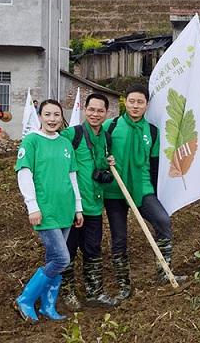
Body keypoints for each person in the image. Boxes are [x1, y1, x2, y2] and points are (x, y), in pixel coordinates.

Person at [103, 84, 185, 302]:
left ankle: (164, 273)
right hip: (115, 191)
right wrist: (105, 161)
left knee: (163, 221)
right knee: (119, 238)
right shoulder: (110, 127)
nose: (135, 105)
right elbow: (97, 153)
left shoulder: (152, 131)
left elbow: (155, 164)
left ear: (146, 105)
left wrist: (157, 193)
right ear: (125, 102)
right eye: (132, 101)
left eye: (140, 102)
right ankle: (123, 285)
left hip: (143, 188)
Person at [14, 99, 84, 322]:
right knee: (62, 259)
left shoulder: (64, 143)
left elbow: (72, 177)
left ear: (61, 118)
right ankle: (25, 299)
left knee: (54, 257)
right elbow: (24, 174)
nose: (52, 119)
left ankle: (47, 306)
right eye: (47, 115)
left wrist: (78, 208)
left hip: (65, 208)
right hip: (45, 210)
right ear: (40, 116)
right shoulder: (32, 141)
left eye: (56, 115)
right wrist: (32, 206)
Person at [60, 93, 117, 310]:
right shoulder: (72, 134)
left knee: (93, 249)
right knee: (69, 250)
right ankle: (68, 294)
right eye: (91, 110)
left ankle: (95, 292)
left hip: (94, 205)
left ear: (106, 113)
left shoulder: (106, 138)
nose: (95, 114)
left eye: (100, 111)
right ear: (85, 110)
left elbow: (102, 166)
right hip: (73, 207)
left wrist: (109, 162)